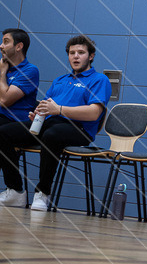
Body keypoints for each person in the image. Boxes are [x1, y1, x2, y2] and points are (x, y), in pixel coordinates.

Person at [0, 33, 111, 212]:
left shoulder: (99, 80)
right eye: (72, 53)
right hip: (49, 124)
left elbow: (93, 113)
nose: (75, 56)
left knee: (52, 135)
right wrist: (38, 115)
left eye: (81, 52)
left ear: (90, 56)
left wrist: (58, 110)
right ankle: (15, 191)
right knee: (4, 132)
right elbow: (47, 106)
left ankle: (42, 192)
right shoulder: (60, 80)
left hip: (78, 128)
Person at [0, 27, 39, 132]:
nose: (1, 46)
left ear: (18, 47)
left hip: (13, 121)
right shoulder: (3, 67)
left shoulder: (30, 71)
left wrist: (2, 73)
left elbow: (4, 100)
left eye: (5, 42)